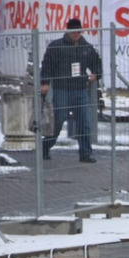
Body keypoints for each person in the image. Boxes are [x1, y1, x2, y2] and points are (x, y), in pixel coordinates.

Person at [40, 17, 102, 163]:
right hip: (61, 90)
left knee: (84, 123)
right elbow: (47, 65)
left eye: (78, 31)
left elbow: (96, 62)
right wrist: (45, 83)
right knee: (58, 121)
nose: (76, 34)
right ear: (68, 31)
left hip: (80, 90)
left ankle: (86, 153)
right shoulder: (56, 46)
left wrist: (96, 74)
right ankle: (45, 146)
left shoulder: (86, 47)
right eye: (73, 31)